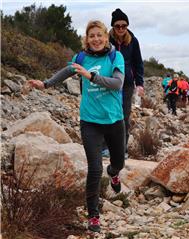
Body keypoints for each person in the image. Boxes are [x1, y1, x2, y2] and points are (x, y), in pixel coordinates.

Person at [28, 20, 125, 233]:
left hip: (115, 120)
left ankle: (114, 172)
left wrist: (91, 76)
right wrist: (45, 84)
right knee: (95, 169)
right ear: (87, 39)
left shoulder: (115, 56)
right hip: (90, 122)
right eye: (92, 36)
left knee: (119, 162)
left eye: (99, 35)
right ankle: (93, 216)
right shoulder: (81, 58)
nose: (96, 39)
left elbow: (117, 83)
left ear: (106, 37)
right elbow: (67, 71)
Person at [109, 8, 144, 157]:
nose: (121, 29)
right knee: (108, 114)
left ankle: (122, 149)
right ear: (113, 26)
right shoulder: (106, 40)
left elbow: (138, 63)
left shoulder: (133, 40)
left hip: (127, 84)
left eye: (124, 25)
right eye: (118, 26)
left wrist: (140, 83)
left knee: (124, 116)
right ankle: (106, 147)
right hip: (109, 83)